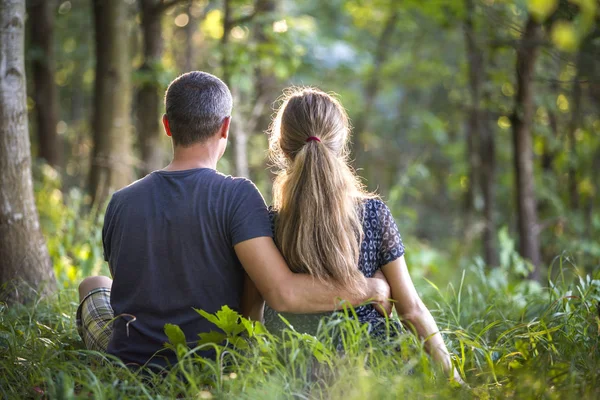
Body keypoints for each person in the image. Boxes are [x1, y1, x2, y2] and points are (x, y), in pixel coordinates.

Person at [76, 72, 391, 368]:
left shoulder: (121, 201)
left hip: (128, 361)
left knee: (94, 284)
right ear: (225, 127)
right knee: (99, 283)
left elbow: (131, 286)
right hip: (209, 360)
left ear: (167, 126)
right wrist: (372, 287)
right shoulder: (237, 195)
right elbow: (283, 293)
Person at [247, 87, 462, 382]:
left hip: (292, 372)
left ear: (282, 148)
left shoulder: (264, 226)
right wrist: (455, 380)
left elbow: (249, 317)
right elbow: (411, 310)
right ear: (340, 144)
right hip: (372, 371)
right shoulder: (373, 214)